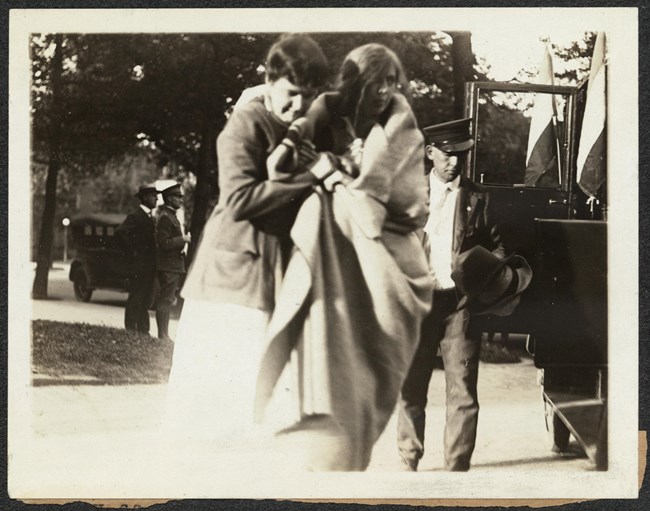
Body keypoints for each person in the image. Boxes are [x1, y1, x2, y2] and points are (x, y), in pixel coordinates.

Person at [255, 43, 433, 471]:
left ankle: (354, 433)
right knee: (336, 354)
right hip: (342, 250)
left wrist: (333, 175)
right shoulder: (330, 107)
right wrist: (306, 151)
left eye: (393, 81)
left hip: (389, 252)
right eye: (379, 81)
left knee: (381, 358)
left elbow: (397, 201)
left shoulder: (401, 123)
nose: (387, 91)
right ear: (359, 81)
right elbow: (285, 157)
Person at [162, 34, 329, 459]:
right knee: (220, 405)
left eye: (307, 98)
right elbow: (238, 200)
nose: (298, 106)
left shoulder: (296, 129)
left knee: (258, 404)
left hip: (270, 267)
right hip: (232, 272)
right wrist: (313, 177)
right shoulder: (245, 123)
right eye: (291, 95)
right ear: (270, 80)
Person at [397, 118, 514, 472]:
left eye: (461, 154)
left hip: (460, 306)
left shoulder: (481, 198)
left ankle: (456, 468)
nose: (455, 162)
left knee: (462, 388)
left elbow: (500, 248)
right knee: (410, 384)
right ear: (430, 152)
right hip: (417, 304)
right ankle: (408, 457)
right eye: (448, 154)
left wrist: (481, 274)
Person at [115, 183, 158, 334]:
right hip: (139, 265)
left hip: (148, 265)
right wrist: (132, 252)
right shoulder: (135, 215)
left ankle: (143, 330)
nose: (156, 199)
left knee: (146, 297)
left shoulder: (150, 218)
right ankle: (131, 329)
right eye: (153, 196)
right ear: (145, 198)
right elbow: (120, 232)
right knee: (136, 296)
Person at [155, 182, 191, 342]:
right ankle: (162, 334)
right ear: (169, 199)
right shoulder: (165, 218)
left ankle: (164, 334)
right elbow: (164, 243)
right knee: (165, 300)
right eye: (177, 197)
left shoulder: (170, 216)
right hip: (168, 266)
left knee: (168, 300)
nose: (180, 200)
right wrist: (182, 240)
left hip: (173, 265)